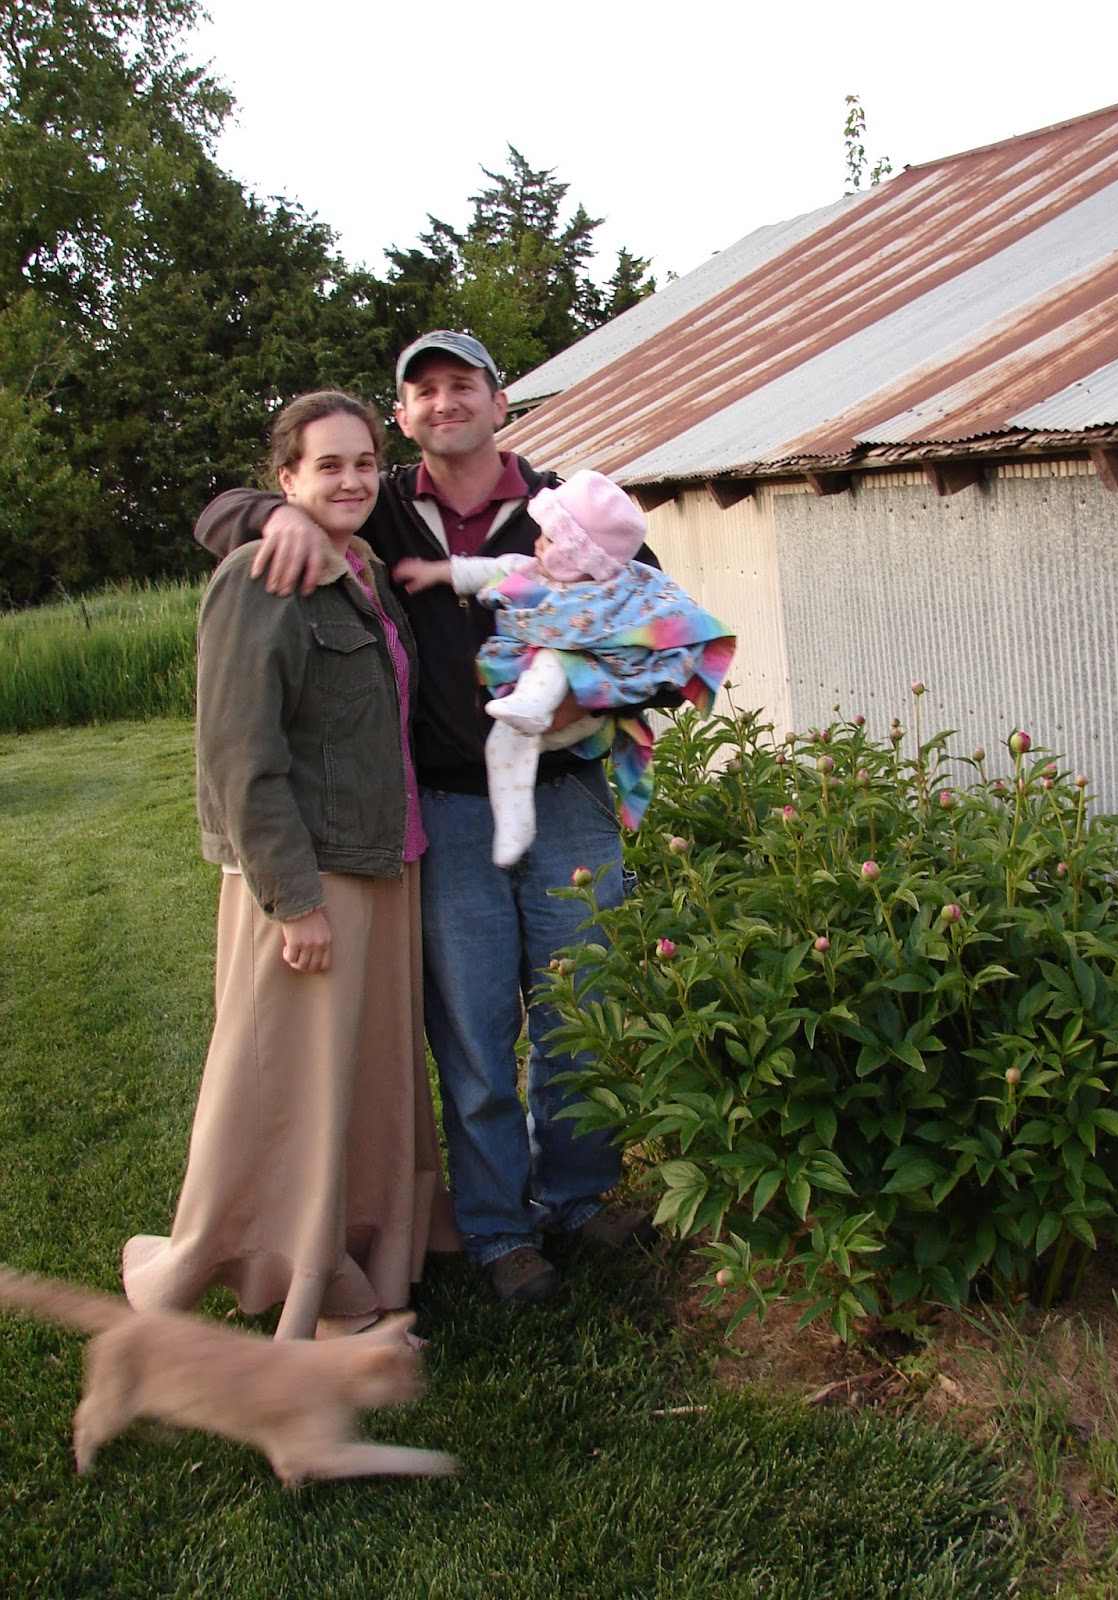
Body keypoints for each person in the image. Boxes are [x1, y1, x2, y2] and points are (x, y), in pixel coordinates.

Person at [194, 332, 662, 1305]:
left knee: (581, 1015)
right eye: (425, 390)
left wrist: (592, 699)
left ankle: (579, 1197)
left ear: (500, 403)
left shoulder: (568, 507)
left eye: (464, 385)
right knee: (474, 1034)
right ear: (403, 416)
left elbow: (660, 633)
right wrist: (268, 516)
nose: (446, 402)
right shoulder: (382, 509)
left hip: (568, 798)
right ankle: (498, 1230)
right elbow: (223, 512)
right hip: (447, 808)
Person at [125, 390, 457, 1340]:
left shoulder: (364, 568)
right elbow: (240, 755)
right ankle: (317, 1287)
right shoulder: (261, 574)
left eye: (364, 462)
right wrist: (293, 900)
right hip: (313, 876)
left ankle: (373, 1250)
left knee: (366, 1082)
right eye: (328, 465)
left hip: (385, 862)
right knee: (292, 1091)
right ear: (286, 479)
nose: (351, 481)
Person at [393, 468, 736, 867]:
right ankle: (514, 824)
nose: (537, 543)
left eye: (551, 539)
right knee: (501, 743)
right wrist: (435, 571)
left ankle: (533, 705)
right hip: (535, 731)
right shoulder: (535, 571)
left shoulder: (622, 592)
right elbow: (487, 569)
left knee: (555, 657)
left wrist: (588, 664)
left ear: (581, 554)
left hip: (584, 716)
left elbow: (669, 628)